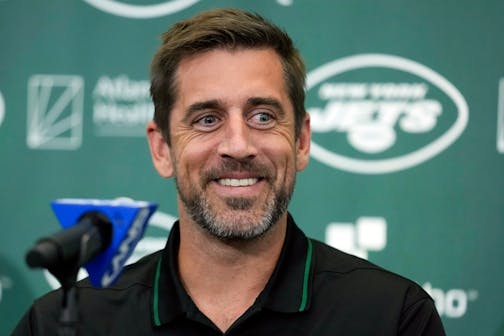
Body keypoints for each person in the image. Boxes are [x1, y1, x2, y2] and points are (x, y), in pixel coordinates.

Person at [13, 8, 445, 335]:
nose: (238, 145)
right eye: (206, 119)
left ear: (301, 140)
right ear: (161, 148)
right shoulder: (65, 323)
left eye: (262, 116)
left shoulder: (391, 317)